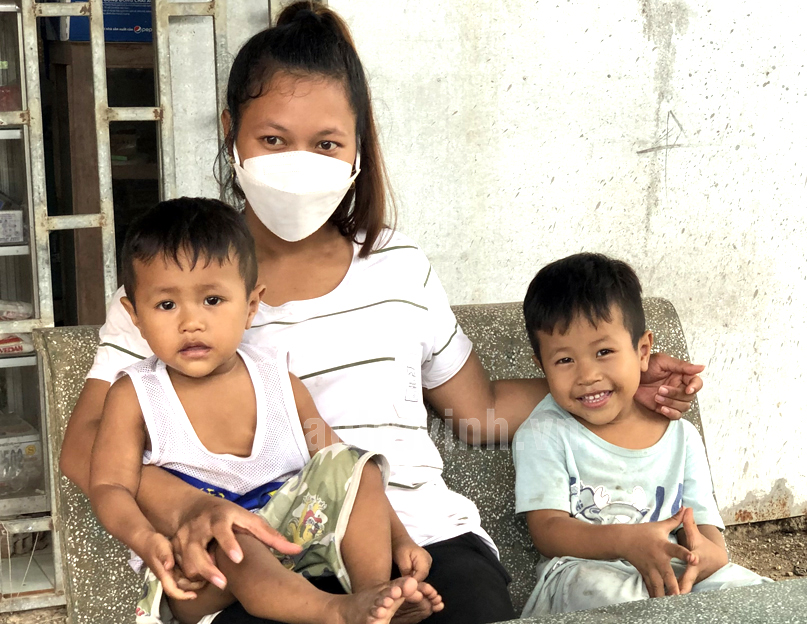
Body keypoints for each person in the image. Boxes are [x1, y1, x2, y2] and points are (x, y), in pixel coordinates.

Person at [60, 3, 704, 623]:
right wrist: (188, 507)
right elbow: (87, 445)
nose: (298, 164)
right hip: (257, 550)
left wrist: (609, 380)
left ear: (358, 147)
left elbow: (477, 409)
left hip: (423, 540)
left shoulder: (398, 265)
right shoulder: (174, 286)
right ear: (232, 131)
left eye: (326, 144)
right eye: (273, 140)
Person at [90, 197, 440, 624]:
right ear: (135, 315)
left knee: (355, 464)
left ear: (251, 306)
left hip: (292, 543)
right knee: (232, 535)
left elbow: (348, 473)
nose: (191, 322)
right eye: (167, 305)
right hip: (201, 568)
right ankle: (337, 613)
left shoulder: (278, 381)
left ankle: (373, 594)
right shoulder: (135, 394)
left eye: (212, 300)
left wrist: (400, 538)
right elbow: (109, 486)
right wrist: (145, 539)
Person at [512, 253, 769, 616]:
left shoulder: (682, 437)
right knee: (606, 595)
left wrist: (707, 555)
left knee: (757, 593)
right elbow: (548, 530)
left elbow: (702, 526)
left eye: (604, 351)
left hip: (670, 570)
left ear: (643, 351)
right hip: (586, 574)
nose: (587, 376)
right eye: (565, 360)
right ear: (542, 366)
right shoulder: (544, 433)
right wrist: (625, 541)